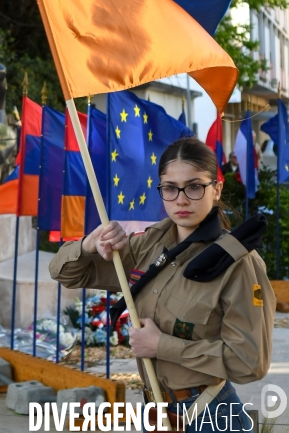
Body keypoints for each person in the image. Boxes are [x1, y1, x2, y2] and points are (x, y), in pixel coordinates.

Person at [49, 137, 275, 432]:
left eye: (194, 186)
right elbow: (67, 273)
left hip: (210, 415)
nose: (181, 199)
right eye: (170, 188)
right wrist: (91, 244)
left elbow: (250, 362)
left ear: (216, 189)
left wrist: (161, 345)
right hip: (157, 412)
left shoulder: (238, 263)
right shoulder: (148, 247)